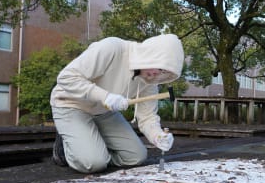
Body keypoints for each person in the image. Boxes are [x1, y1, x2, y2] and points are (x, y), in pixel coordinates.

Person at [49, 34, 184, 173]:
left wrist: (157, 136)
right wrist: (105, 96)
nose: (157, 74)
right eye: (159, 66)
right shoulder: (112, 48)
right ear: (150, 54)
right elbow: (66, 77)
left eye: (164, 71)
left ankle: (91, 148)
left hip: (103, 112)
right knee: (92, 163)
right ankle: (67, 152)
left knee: (136, 157)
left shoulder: (150, 81)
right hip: (71, 104)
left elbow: (148, 117)